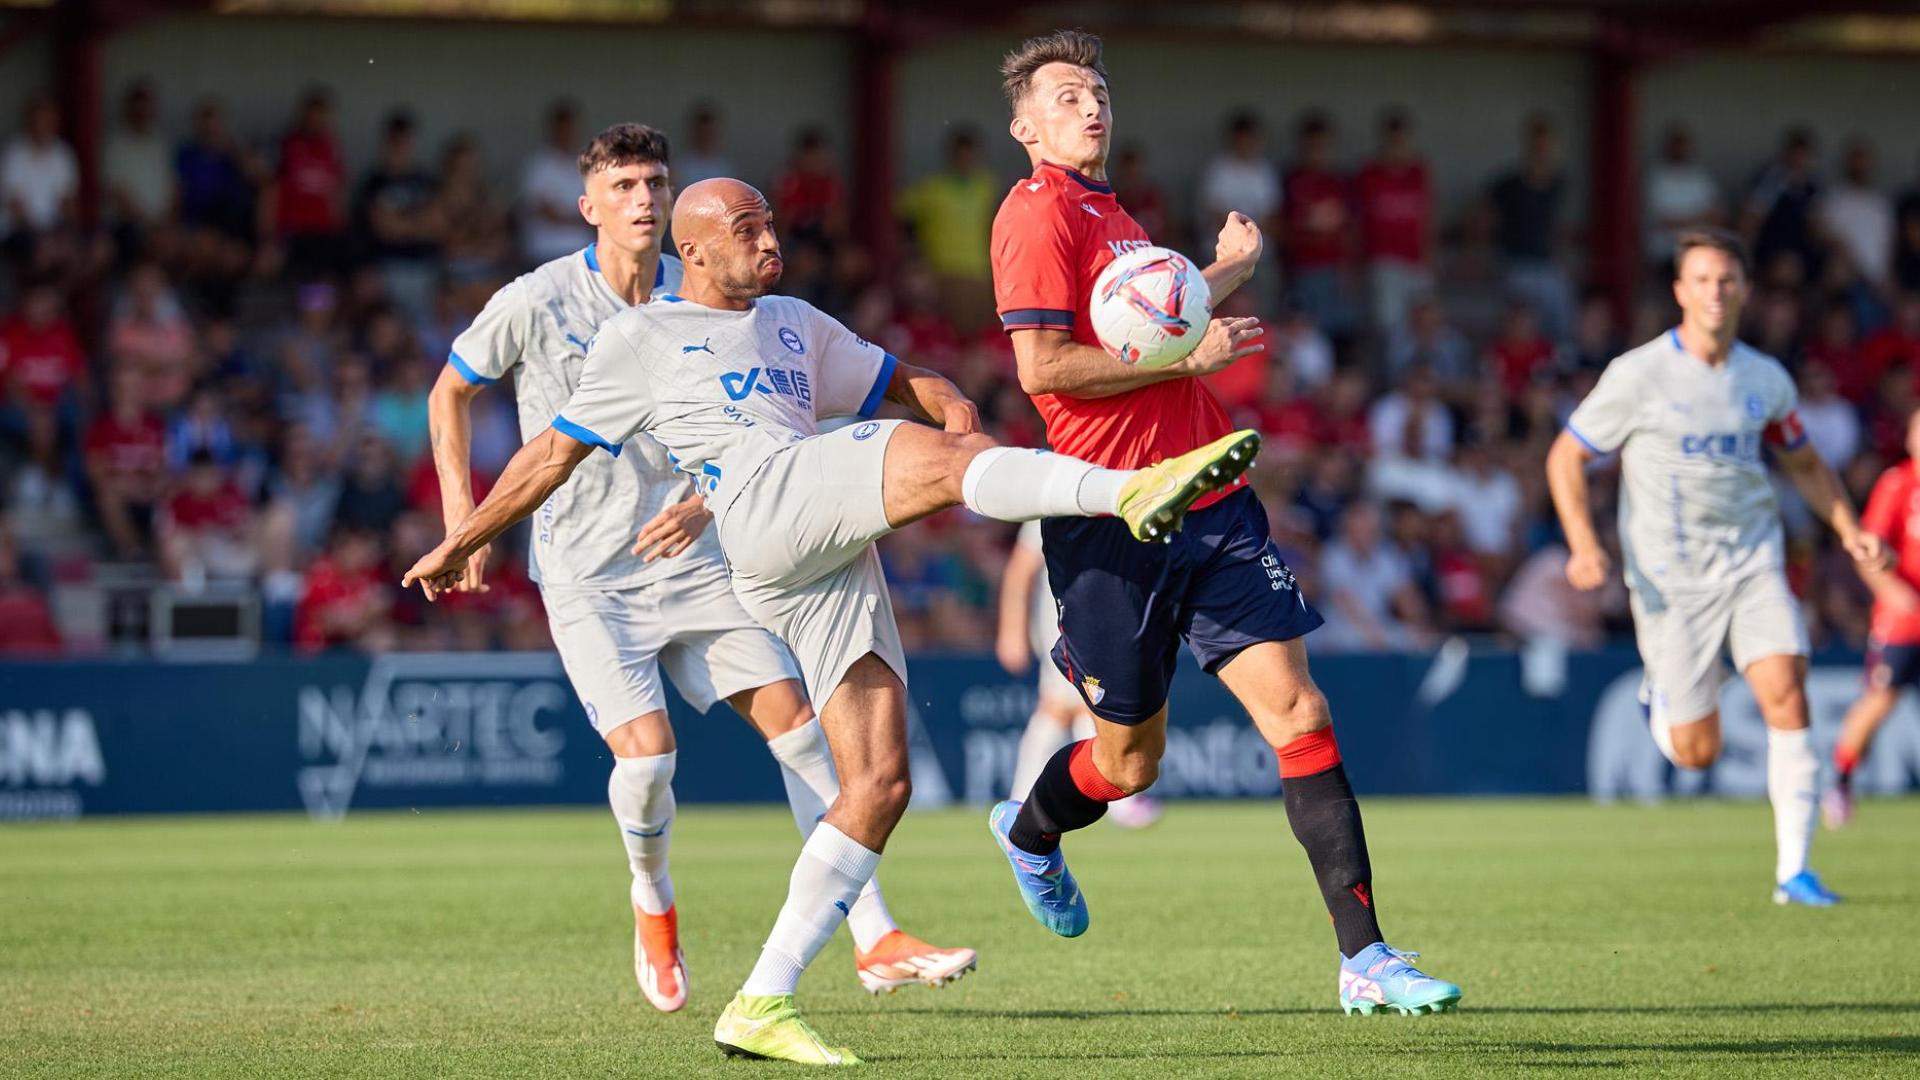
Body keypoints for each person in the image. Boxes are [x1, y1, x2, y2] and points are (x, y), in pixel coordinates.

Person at [406, 174, 1257, 1064]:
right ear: (690, 250)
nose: (767, 240)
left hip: (816, 553)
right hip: (761, 510)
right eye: (744, 229)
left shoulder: (796, 322)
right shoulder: (641, 336)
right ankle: (1130, 491)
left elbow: (900, 377)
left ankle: (761, 1001)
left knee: (880, 785)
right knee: (908, 458)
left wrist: (950, 406)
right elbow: (548, 456)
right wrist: (462, 536)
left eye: (770, 224)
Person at [426, 127, 974, 1016]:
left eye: (654, 182)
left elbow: (767, 425)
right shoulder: (537, 300)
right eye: (624, 185)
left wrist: (714, 503)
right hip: (590, 570)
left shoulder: (725, 307)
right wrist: (463, 516)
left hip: (699, 556)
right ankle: (653, 897)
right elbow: (450, 389)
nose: (642, 198)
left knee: (799, 727)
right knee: (648, 766)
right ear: (588, 206)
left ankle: (875, 937)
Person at [985, 29, 1461, 1017]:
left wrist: (1225, 271)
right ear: (1025, 126)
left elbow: (1155, 318)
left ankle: (1365, 958)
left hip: (1207, 490)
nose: (1090, 105)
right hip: (1113, 512)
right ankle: (1031, 832)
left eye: (1098, 89)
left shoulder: (1113, 213)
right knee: (1129, 763)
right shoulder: (1034, 216)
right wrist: (1188, 358)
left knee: (1302, 715)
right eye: (1066, 96)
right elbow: (1045, 372)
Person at [1545, 227, 1886, 907]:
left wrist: (1848, 527)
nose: (1714, 292)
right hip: (1671, 578)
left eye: (1726, 279)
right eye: (1700, 279)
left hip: (1753, 559)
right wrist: (1584, 544)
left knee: (1787, 684)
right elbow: (1566, 457)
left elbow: (1806, 464)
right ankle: (1662, 697)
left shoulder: (1765, 378)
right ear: (1679, 291)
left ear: (1745, 291)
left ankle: (1796, 872)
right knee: (1695, 752)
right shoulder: (1638, 374)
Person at [996, 520, 1161, 826]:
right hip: (1065, 620)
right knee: (1064, 705)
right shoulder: (1054, 496)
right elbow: (1021, 570)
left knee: (1078, 705)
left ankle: (1025, 800)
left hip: (1100, 616)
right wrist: (1011, 630)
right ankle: (1025, 801)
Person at [1826, 408, 1920, 828]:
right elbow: (1869, 551)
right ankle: (1841, 781)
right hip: (1904, 622)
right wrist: (1892, 591)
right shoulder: (1898, 484)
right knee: (1880, 700)